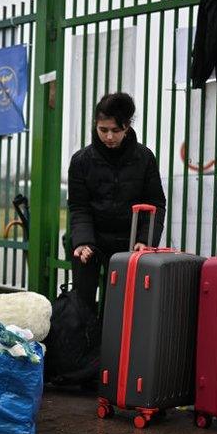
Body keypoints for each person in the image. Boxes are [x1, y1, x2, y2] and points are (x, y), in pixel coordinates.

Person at [67, 92, 167, 311]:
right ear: (95, 125)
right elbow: (78, 206)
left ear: (127, 127)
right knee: (81, 299)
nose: (109, 137)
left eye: (116, 130)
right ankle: (83, 338)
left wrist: (145, 240)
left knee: (124, 304)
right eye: (103, 130)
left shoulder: (144, 158)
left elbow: (156, 204)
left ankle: (118, 342)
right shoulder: (81, 160)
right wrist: (83, 241)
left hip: (129, 242)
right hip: (93, 239)